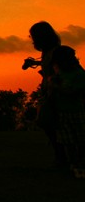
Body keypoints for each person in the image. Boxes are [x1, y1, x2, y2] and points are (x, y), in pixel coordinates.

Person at [27, 21, 66, 165]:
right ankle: (61, 154)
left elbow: (60, 73)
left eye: (33, 37)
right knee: (50, 123)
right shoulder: (47, 53)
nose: (32, 41)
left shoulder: (55, 52)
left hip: (55, 92)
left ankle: (62, 155)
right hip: (49, 91)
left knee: (50, 122)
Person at [49, 46, 85, 178]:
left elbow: (74, 93)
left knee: (80, 140)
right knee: (68, 141)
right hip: (62, 111)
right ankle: (74, 164)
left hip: (76, 111)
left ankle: (79, 163)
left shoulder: (79, 74)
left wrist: (56, 86)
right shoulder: (60, 73)